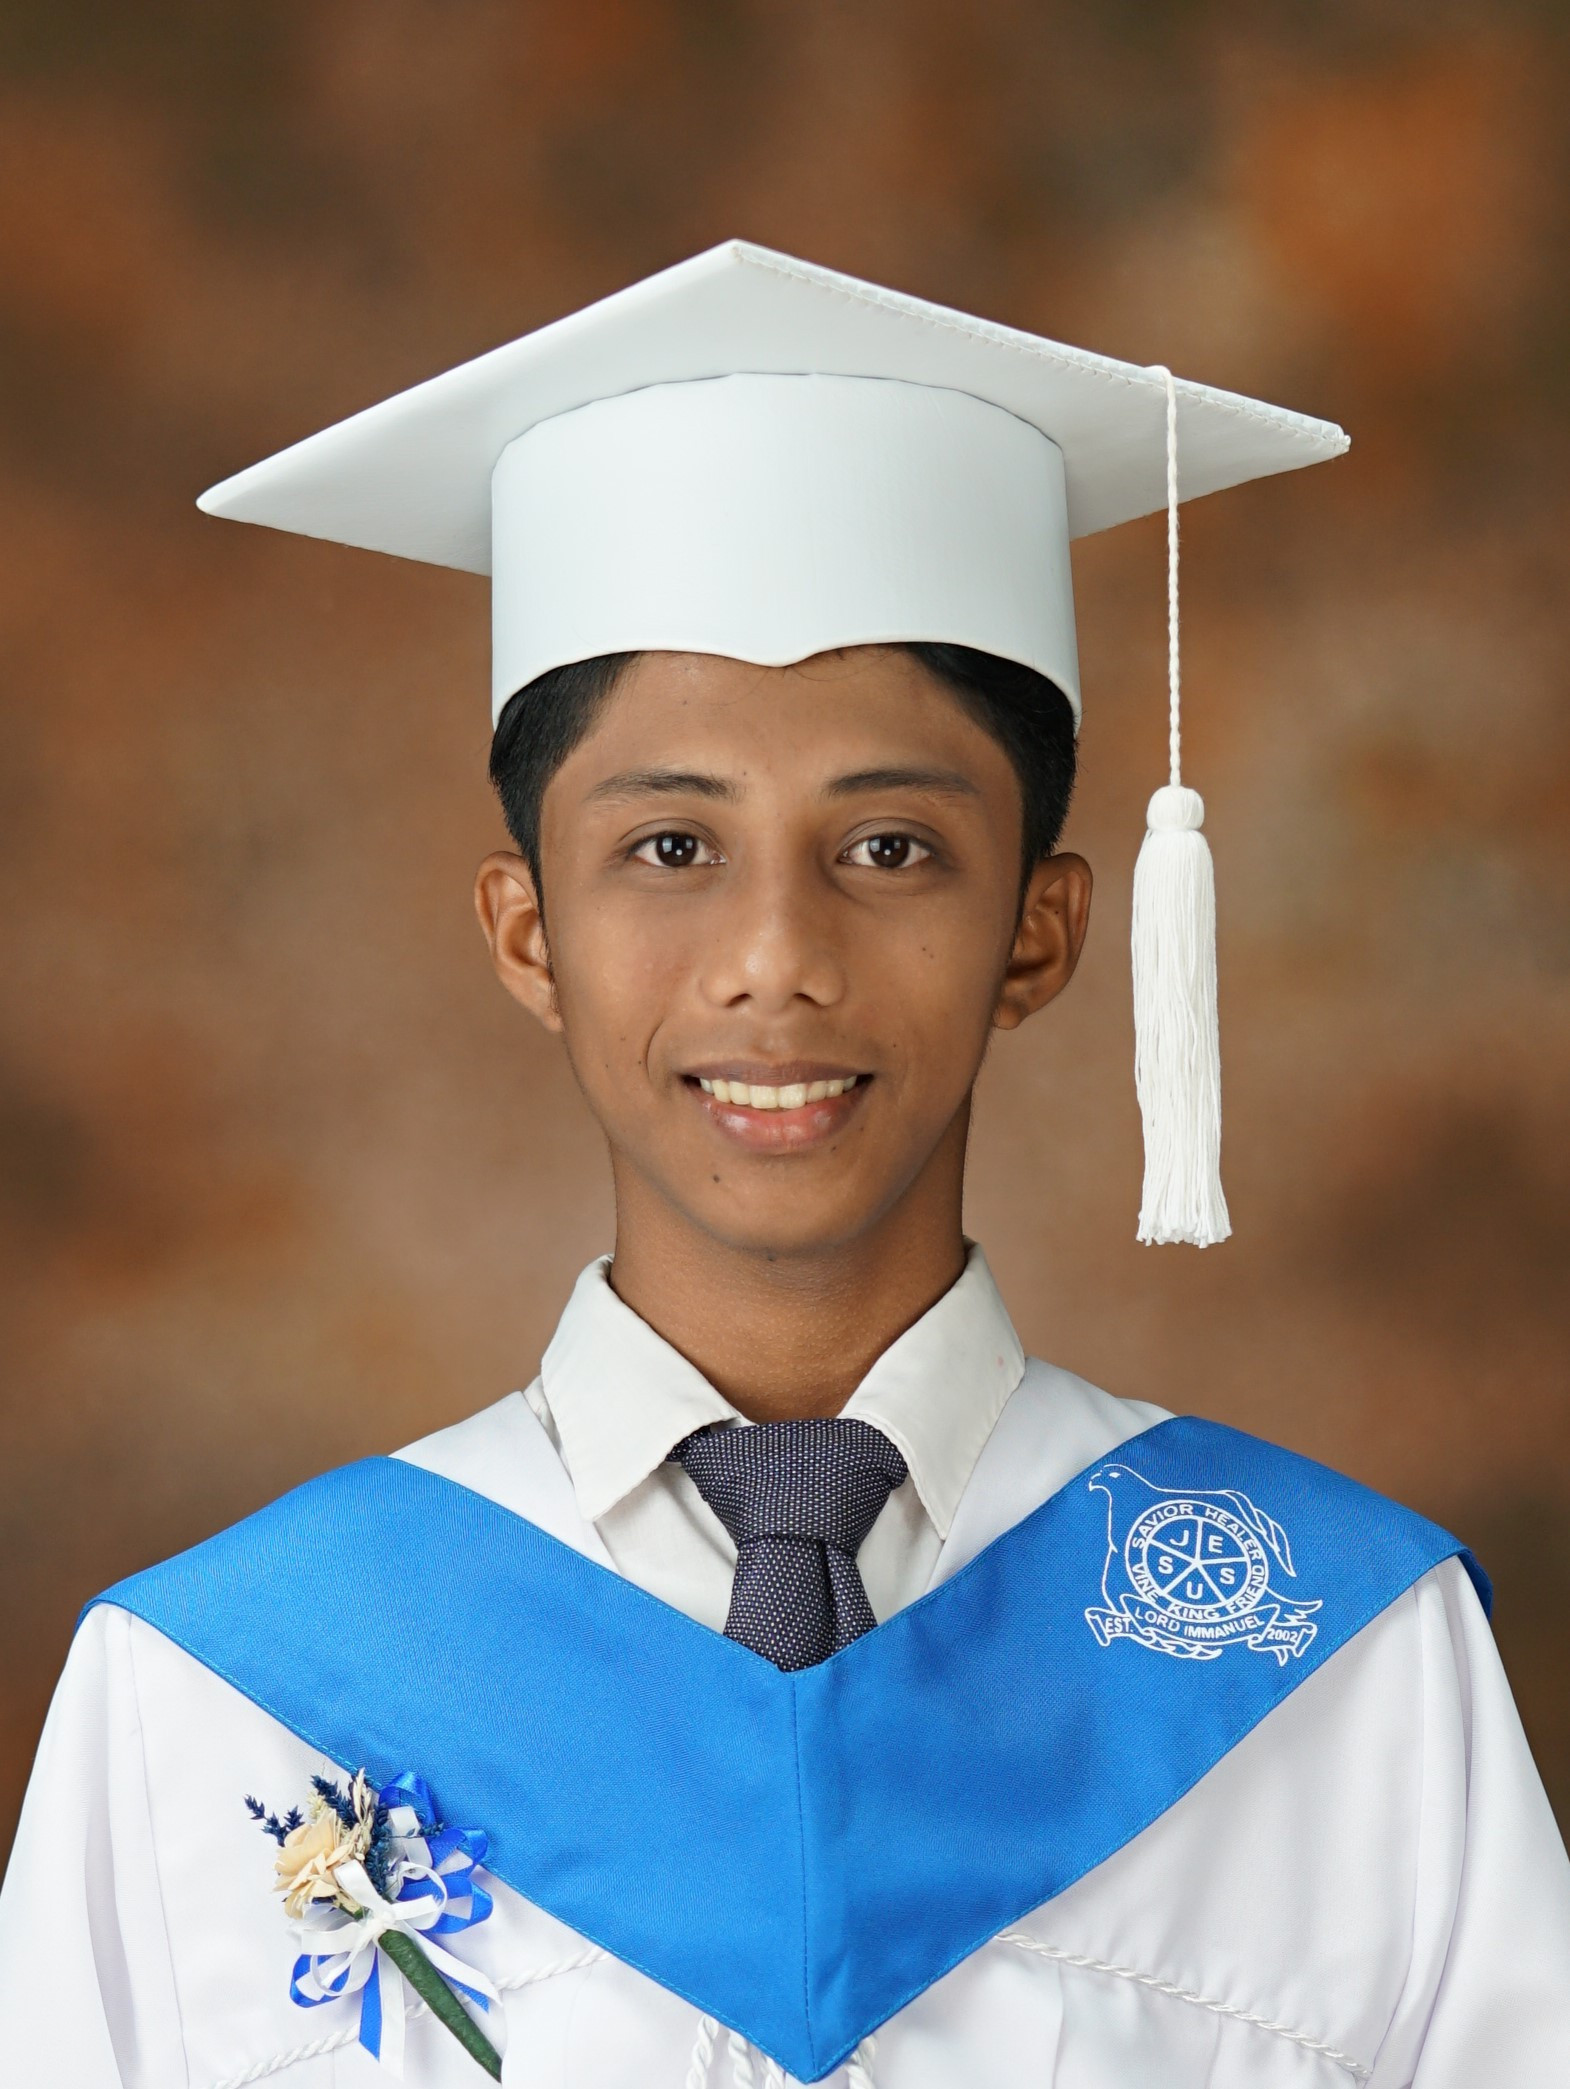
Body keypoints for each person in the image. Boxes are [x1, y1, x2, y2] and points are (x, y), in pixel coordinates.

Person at [2, 241, 1566, 2088]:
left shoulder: (1344, 1664)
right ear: (525, 934)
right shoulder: (210, 1698)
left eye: (890, 846)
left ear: (1043, 930)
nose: (775, 958)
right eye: (669, 848)